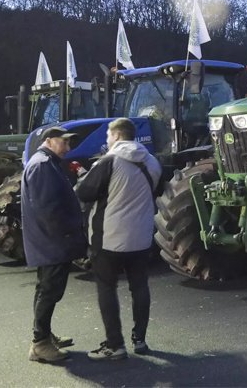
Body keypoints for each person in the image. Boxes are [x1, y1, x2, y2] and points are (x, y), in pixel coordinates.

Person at [75, 117, 162, 361]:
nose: (107, 140)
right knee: (139, 286)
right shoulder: (152, 163)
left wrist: (84, 177)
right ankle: (140, 339)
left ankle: (115, 344)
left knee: (107, 288)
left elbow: (85, 192)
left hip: (108, 239)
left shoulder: (109, 161)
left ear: (116, 136)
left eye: (108, 136)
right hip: (141, 237)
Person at [21, 126, 87, 363]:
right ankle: (40, 344)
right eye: (64, 143)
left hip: (50, 242)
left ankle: (45, 335)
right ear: (49, 141)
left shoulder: (45, 163)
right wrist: (68, 235)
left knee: (46, 290)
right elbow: (48, 209)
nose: (68, 148)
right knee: (49, 292)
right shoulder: (42, 166)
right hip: (52, 243)